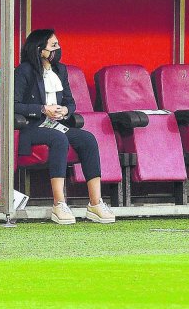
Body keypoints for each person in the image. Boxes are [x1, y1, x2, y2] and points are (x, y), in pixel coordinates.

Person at [13, 29, 115, 225]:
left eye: (57, 45)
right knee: (58, 139)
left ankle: (95, 203)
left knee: (87, 139)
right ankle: (59, 204)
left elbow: (70, 101)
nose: (57, 49)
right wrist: (43, 109)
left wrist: (65, 111)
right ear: (39, 49)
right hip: (31, 127)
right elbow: (14, 105)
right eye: (53, 46)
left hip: (56, 123)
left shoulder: (61, 70)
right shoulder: (24, 71)